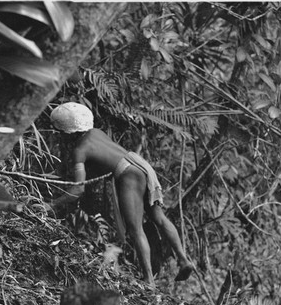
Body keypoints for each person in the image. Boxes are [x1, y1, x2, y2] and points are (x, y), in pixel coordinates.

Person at [50, 102, 193, 287]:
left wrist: (52, 204)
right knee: (159, 218)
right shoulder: (97, 133)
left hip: (128, 174)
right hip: (140, 164)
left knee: (135, 229)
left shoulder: (80, 150)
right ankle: (183, 260)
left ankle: (149, 282)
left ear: (68, 133)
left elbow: (78, 189)